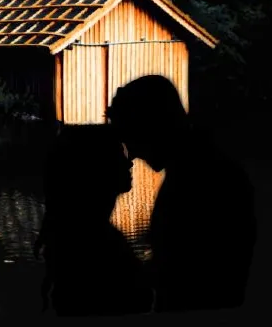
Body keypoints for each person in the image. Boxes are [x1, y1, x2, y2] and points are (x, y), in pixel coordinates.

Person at [107, 75, 257, 312]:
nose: (133, 153)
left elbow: (191, 272)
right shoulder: (200, 170)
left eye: (132, 136)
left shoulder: (203, 181)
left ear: (154, 125)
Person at [34, 123, 154, 316]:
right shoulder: (98, 243)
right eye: (118, 155)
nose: (129, 162)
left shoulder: (72, 236)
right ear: (96, 166)